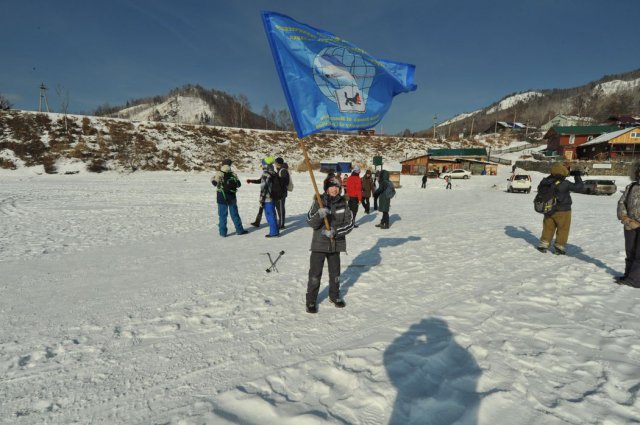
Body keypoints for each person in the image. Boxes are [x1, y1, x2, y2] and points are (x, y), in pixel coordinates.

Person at [305, 176, 354, 313]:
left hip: (335, 244)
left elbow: (349, 224)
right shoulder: (318, 201)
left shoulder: (343, 204)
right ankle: (311, 300)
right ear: (327, 188)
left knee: (335, 274)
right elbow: (309, 222)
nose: (335, 189)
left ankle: (334, 296)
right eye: (332, 186)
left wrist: (335, 232)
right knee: (315, 274)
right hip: (319, 245)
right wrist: (319, 215)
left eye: (337, 187)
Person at [536, 163, 583, 255]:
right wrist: (577, 176)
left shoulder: (544, 182)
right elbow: (579, 187)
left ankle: (543, 244)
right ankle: (559, 246)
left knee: (548, 227)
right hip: (563, 210)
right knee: (563, 228)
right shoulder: (564, 183)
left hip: (548, 209)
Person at [616, 161, 640, 287]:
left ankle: (635, 280)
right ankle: (628, 276)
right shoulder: (631, 187)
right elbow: (621, 202)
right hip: (629, 225)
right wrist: (625, 218)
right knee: (630, 252)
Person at [210, 159, 248, 237]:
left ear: (222, 164)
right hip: (232, 196)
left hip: (221, 197)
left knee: (222, 215)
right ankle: (240, 230)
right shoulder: (233, 174)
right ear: (230, 165)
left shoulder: (219, 173)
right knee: (235, 214)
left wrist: (212, 179)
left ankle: (223, 233)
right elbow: (239, 185)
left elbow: (215, 183)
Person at [247, 156, 281, 237]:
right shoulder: (273, 172)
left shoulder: (266, 174)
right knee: (273, 214)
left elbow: (264, 188)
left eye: (262, 164)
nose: (261, 166)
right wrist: (252, 181)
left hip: (267, 198)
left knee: (270, 215)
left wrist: (262, 199)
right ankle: (275, 231)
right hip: (273, 197)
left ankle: (274, 233)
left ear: (265, 165)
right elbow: (262, 182)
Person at [274, 157, 290, 229]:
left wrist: (276, 180)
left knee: (280, 208)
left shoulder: (283, 170)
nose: (275, 164)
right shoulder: (279, 170)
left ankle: (281, 224)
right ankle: (280, 222)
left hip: (282, 193)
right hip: (278, 192)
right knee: (278, 208)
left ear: (278, 163)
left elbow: (285, 182)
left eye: (276, 163)